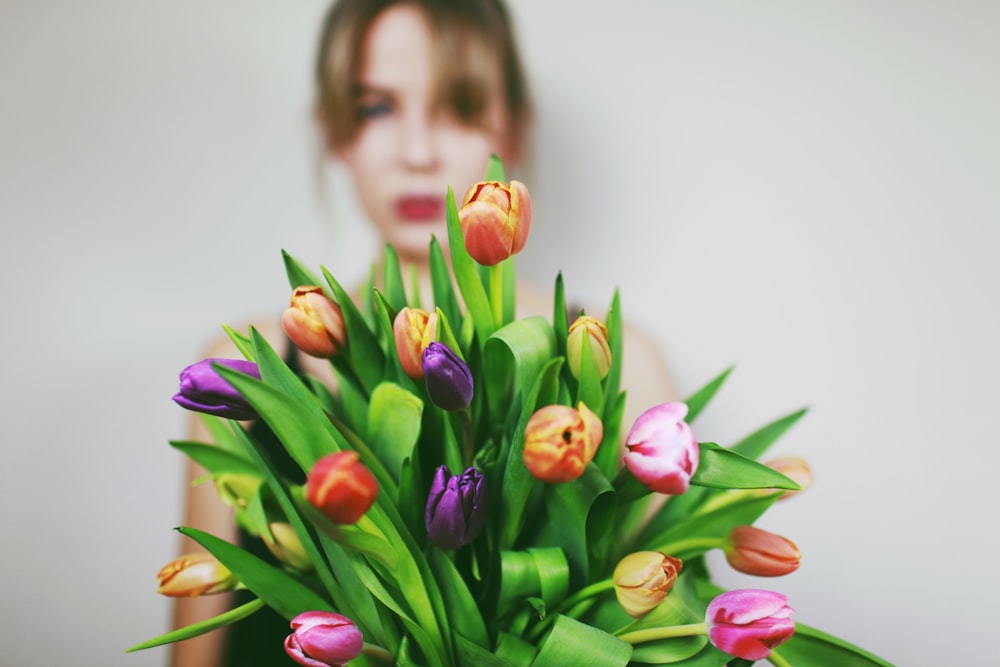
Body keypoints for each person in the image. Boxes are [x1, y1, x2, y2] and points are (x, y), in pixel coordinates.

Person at [170, 1, 674, 665]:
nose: (416, 151)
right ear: (335, 130)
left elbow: (659, 622)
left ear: (514, 128)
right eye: (377, 108)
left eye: (459, 105)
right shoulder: (246, 371)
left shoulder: (615, 362)